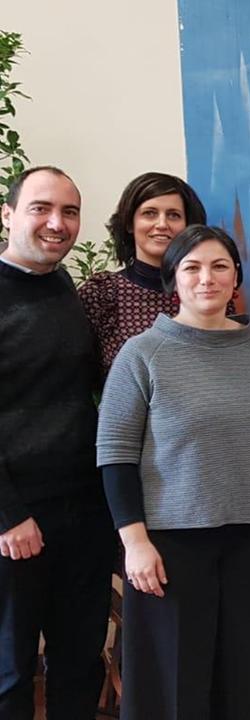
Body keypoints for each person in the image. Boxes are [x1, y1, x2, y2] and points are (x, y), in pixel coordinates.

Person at [96, 225, 250, 720]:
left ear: (236, 276)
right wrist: (135, 543)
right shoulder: (142, 353)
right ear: (174, 280)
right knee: (175, 680)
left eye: (218, 266)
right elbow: (115, 454)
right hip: (171, 543)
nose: (206, 278)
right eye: (191, 267)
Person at [0, 166, 115, 719]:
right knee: (12, 668)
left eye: (69, 212)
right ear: (7, 216)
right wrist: (9, 515)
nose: (57, 223)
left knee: (79, 658)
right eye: (41, 209)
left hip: (84, 511)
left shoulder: (66, 286)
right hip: (18, 521)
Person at [79, 172, 227, 373]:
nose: (162, 224)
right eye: (149, 213)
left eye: (173, 215)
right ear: (130, 223)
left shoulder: (208, 289)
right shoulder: (103, 294)